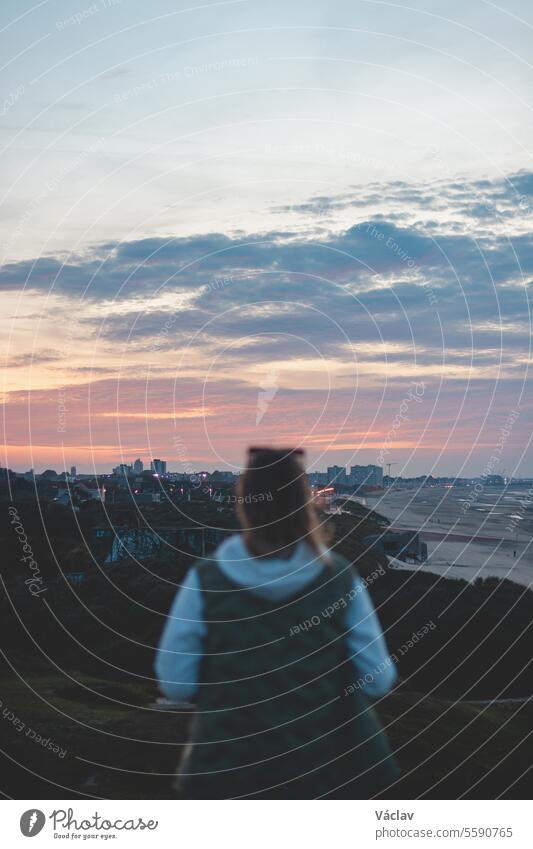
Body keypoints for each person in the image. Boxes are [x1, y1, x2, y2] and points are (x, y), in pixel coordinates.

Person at [155, 446, 399, 798]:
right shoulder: (338, 579)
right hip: (321, 773)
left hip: (225, 771)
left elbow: (175, 682)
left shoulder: (206, 579)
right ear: (305, 502)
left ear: (245, 503)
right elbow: (378, 680)